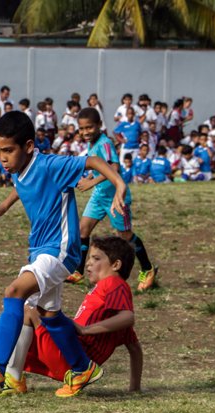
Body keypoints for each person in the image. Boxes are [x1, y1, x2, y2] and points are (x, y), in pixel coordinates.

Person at [0, 111, 127, 398]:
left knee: (15, 291)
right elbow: (23, 186)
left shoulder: (51, 164)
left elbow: (92, 161)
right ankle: (82, 367)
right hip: (41, 249)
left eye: (8, 150)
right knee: (48, 314)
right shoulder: (20, 168)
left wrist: (119, 184)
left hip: (60, 250)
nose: (2, 158)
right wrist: (3, 206)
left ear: (28, 146)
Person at [0, 236, 143, 397]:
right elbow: (135, 349)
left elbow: (128, 317)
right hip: (61, 357)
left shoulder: (114, 284)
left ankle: (11, 380)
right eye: (89, 258)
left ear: (116, 264)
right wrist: (135, 389)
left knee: (30, 308)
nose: (89, 263)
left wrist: (85, 329)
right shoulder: (104, 297)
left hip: (73, 360)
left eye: (96, 258)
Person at [67, 108, 158, 292]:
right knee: (82, 230)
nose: (85, 132)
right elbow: (97, 166)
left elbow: (113, 166)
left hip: (115, 197)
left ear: (99, 125)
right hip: (99, 196)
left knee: (125, 236)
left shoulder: (105, 143)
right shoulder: (92, 145)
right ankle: (78, 272)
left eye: (89, 127)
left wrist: (92, 182)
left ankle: (147, 269)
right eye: (81, 128)